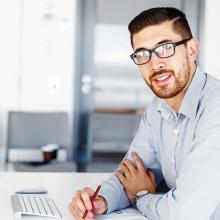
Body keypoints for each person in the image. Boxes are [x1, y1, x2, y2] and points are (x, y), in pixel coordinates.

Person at [69, 7, 220, 220]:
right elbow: (130, 173)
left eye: (166, 48)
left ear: (192, 50)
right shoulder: (157, 107)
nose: (155, 63)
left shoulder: (215, 110)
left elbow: (185, 213)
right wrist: (99, 201)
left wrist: (141, 196)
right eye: (142, 54)